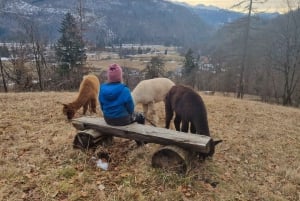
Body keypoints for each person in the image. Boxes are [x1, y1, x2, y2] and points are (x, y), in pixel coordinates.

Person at [99, 63, 145, 145]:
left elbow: (102, 106)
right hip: (122, 120)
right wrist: (131, 114)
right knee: (141, 117)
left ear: (109, 77)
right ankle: (140, 141)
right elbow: (131, 109)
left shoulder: (102, 89)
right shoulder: (125, 90)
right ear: (120, 77)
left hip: (107, 119)